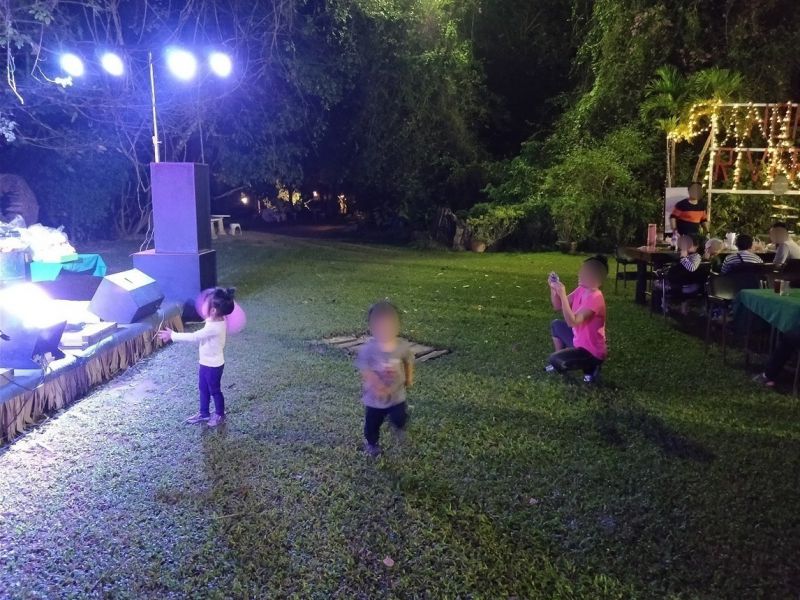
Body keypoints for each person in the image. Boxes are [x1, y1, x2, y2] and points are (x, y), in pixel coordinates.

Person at [159, 287, 236, 426]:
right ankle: (204, 413)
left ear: (213, 311)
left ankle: (220, 414)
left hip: (214, 365)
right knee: (203, 388)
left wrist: (173, 335)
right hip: (205, 362)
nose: (204, 306)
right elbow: (207, 321)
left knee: (214, 390)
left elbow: (194, 337)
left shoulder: (214, 327)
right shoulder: (217, 319)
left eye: (207, 305)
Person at [356, 301, 415, 457]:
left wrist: (409, 377)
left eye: (389, 326)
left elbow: (408, 360)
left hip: (396, 394)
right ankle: (372, 444)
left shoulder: (402, 346)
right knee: (372, 424)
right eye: (380, 327)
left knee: (400, 417)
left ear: (397, 326)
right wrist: (378, 387)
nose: (385, 330)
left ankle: (398, 426)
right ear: (372, 328)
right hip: (375, 398)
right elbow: (365, 370)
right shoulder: (369, 350)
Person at [546, 255, 608, 383]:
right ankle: (562, 360)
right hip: (577, 341)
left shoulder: (596, 297)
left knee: (554, 359)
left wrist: (562, 294)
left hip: (591, 352)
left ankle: (591, 368)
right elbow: (557, 306)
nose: (580, 274)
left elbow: (572, 322)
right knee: (556, 325)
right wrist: (553, 289)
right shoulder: (581, 289)